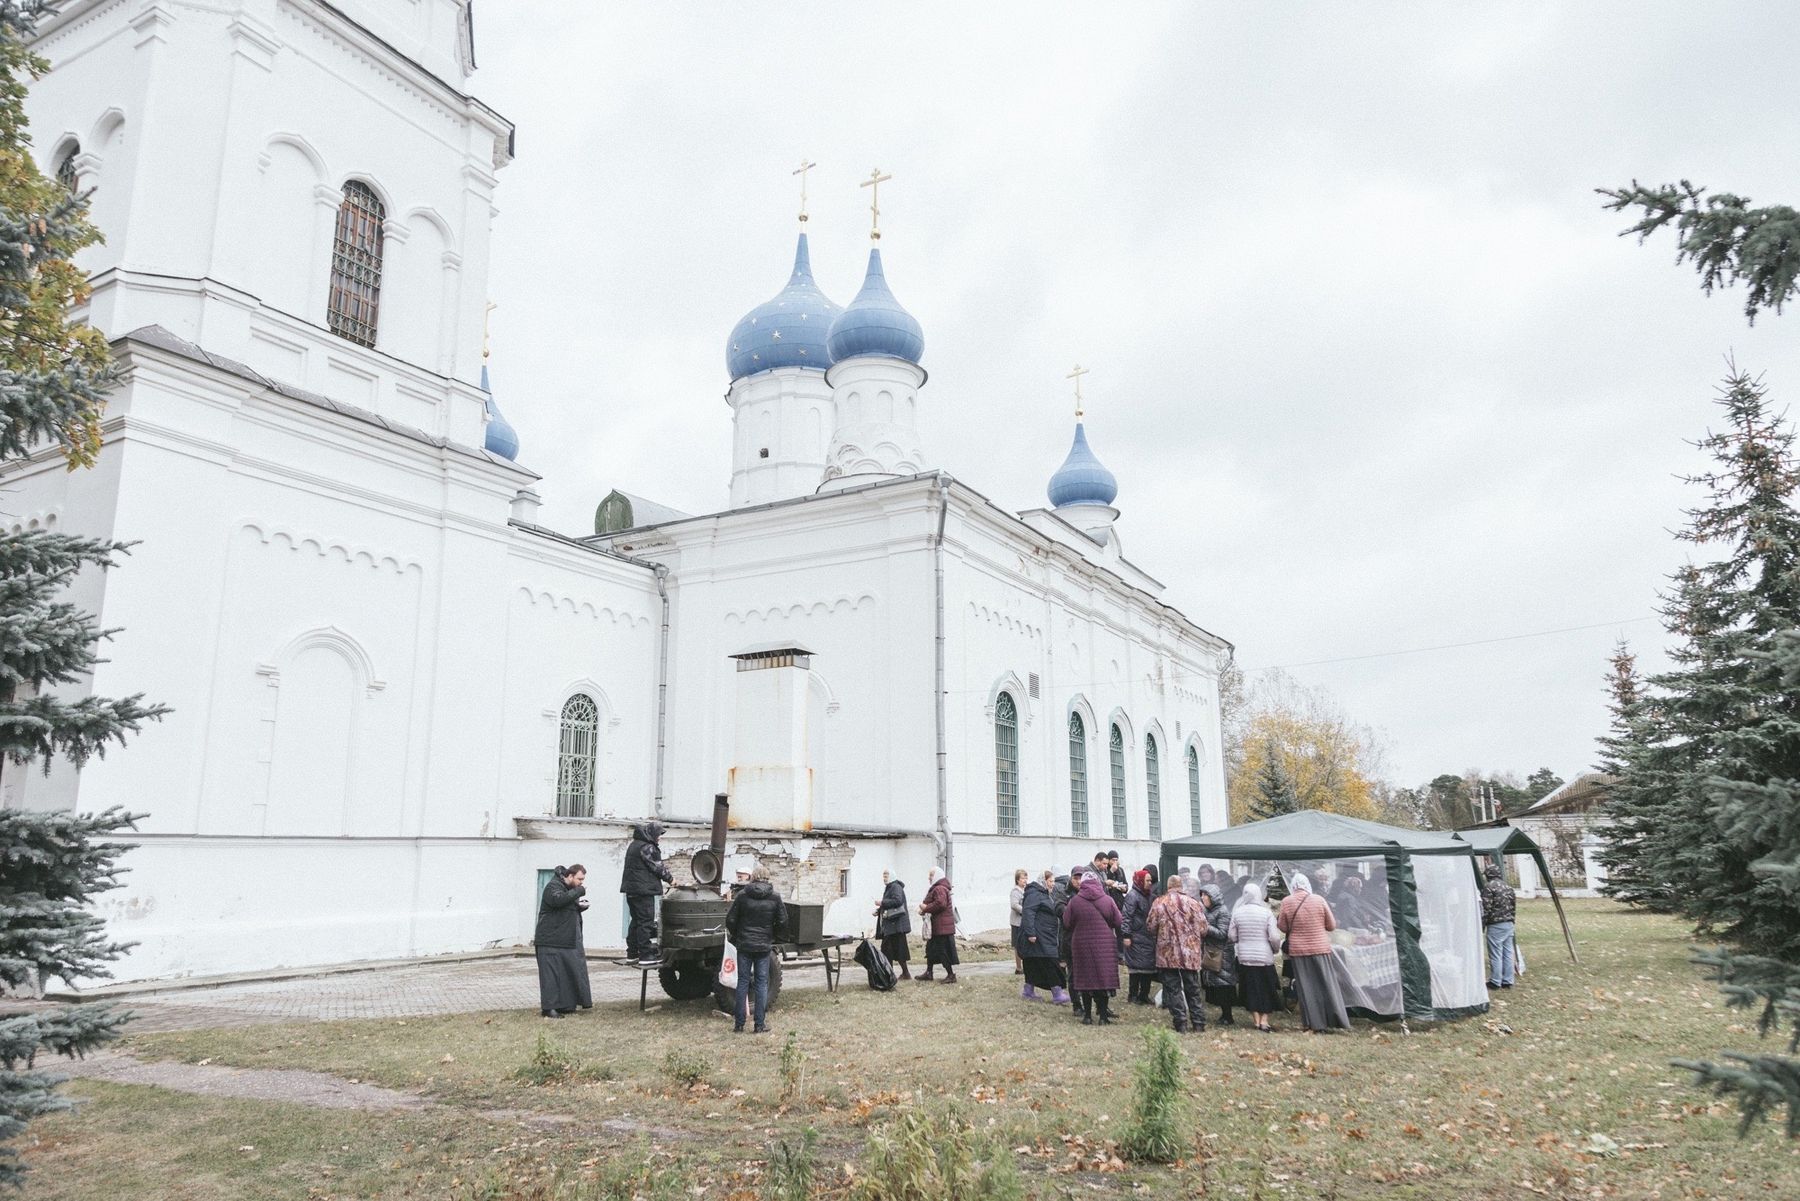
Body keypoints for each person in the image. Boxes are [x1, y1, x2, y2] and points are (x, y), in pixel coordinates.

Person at [1277, 873, 1350, 1032]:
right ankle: (1335, 1018)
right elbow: (1331, 926)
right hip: (1320, 948)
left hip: (1299, 950)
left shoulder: (1287, 902)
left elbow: (1282, 927)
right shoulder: (1319, 900)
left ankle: (1313, 1023)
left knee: (1306, 987)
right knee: (1326, 984)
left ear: (1294, 885)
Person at [725, 866, 787, 1033]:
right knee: (761, 983)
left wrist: (738, 935)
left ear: (753, 877)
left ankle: (739, 1024)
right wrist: (772, 935)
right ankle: (759, 1024)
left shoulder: (742, 895)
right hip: (763, 945)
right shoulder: (775, 897)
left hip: (744, 944)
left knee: (742, 983)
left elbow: (730, 919)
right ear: (768, 878)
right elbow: (783, 921)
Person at [1146, 875, 1208, 1033]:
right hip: (1190, 953)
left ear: (1168, 886)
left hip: (1167, 953)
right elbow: (1203, 929)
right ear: (1181, 886)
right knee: (1192, 987)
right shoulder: (1194, 903)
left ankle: (1180, 1022)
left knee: (1173, 988)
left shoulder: (1159, 903)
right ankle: (1198, 1022)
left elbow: (1151, 927)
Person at [1062, 868, 1121, 1024]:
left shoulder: (1074, 901)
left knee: (1085, 979)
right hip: (1105, 946)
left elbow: (1067, 923)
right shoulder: (1108, 900)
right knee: (1103, 979)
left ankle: (1087, 1016)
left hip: (1081, 944)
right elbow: (1118, 921)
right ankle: (1102, 1017)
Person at [534, 864, 592, 1019]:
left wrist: (579, 907)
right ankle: (549, 1008)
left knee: (567, 973)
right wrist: (578, 892)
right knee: (551, 976)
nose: (581, 882)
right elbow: (557, 900)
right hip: (550, 940)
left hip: (564, 939)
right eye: (579, 879)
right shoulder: (553, 886)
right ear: (570, 876)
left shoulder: (565, 888)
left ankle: (566, 1005)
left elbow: (563, 905)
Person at [1229, 881, 1282, 1032]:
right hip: (1264, 957)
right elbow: (1274, 937)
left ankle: (1256, 1020)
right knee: (1266, 989)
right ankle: (1265, 1020)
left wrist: (1242, 941)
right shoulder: (1266, 913)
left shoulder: (1238, 912)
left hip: (1245, 957)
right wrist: (1274, 949)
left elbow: (1231, 936)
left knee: (1250, 989)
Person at [620, 821, 673, 964]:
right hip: (643, 891)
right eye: (658, 835)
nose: (659, 838)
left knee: (636, 921)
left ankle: (632, 953)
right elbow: (657, 867)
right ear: (651, 834)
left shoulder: (634, 845)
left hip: (632, 890)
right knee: (646, 922)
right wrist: (671, 880)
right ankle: (645, 955)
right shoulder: (647, 847)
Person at [1018, 871, 1069, 1004]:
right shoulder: (1035, 894)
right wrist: (1031, 933)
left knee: (1033, 964)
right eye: (1051, 881)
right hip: (1039, 936)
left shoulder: (1043, 894)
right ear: (1044, 881)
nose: (1053, 884)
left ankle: (1028, 991)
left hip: (1044, 935)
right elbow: (1028, 912)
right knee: (1050, 963)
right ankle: (1057, 993)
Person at [1197, 883, 1238, 1025]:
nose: (1202, 898)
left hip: (1222, 954)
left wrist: (1205, 928)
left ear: (1213, 897)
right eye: (1201, 895)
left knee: (1224, 985)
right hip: (1211, 952)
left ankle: (1228, 1015)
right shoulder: (1207, 911)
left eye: (1205, 895)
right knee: (1215, 984)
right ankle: (1223, 1015)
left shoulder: (1223, 912)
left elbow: (1222, 933)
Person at [1120, 869, 1158, 1004]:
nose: (1150, 883)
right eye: (1147, 880)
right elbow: (1126, 917)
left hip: (1147, 937)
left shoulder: (1150, 896)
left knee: (1147, 968)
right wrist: (1126, 935)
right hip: (1136, 937)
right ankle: (1133, 995)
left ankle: (1144, 994)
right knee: (1136, 969)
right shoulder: (1133, 896)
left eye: (1150, 880)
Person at [918, 867, 958, 983]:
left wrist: (926, 908)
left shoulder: (940, 888)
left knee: (942, 951)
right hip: (939, 926)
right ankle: (929, 972)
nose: (929, 878)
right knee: (930, 950)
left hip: (942, 927)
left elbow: (941, 904)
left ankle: (951, 975)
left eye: (931, 875)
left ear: (937, 876)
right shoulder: (938, 887)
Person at [1482, 862, 1518, 990]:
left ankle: (1495, 981)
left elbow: (1486, 908)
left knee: (1495, 954)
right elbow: (1513, 906)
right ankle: (1508, 980)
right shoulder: (1508, 887)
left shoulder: (1489, 887)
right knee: (1508, 952)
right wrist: (1512, 920)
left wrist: (1482, 925)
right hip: (1509, 923)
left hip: (1495, 924)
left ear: (1488, 875)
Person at [874, 870, 912, 981]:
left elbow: (897, 901)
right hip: (892, 925)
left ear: (892, 876)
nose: (884, 878)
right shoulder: (890, 887)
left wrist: (882, 903)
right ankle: (898, 974)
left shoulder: (895, 887)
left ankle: (894, 975)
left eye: (886, 876)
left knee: (894, 950)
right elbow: (890, 903)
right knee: (890, 950)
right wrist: (879, 910)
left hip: (896, 925)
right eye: (883, 876)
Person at [1009, 868, 1029, 975]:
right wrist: (1025, 910)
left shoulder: (1027, 890)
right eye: (1022, 878)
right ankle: (1018, 967)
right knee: (1017, 945)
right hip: (1017, 922)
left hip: (1025, 922)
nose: (1025, 880)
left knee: (1025, 944)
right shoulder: (1015, 891)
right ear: (1017, 880)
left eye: (1026, 878)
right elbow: (1014, 905)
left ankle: (1026, 966)